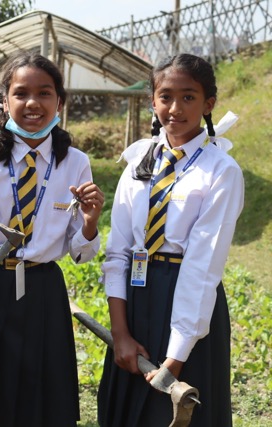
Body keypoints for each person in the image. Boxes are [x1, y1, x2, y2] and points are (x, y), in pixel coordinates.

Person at [0, 51, 104, 427]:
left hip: (46, 293)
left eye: (44, 93)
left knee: (48, 400)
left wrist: (90, 224)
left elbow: (81, 253)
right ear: (4, 102)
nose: (33, 103)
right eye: (21, 93)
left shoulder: (75, 163)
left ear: (60, 102)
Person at [97, 53, 244, 427]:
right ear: (153, 101)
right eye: (165, 97)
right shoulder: (138, 162)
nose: (175, 108)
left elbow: (202, 267)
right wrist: (120, 333)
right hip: (135, 300)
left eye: (188, 97)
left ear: (208, 103)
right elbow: (118, 252)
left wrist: (176, 357)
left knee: (175, 413)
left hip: (189, 308)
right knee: (125, 410)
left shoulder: (221, 171)